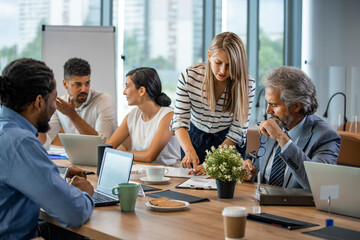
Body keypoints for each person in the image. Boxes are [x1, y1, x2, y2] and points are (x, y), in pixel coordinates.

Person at [0, 58, 94, 239]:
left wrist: (56, 181)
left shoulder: (7, 130)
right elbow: (73, 213)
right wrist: (83, 192)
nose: (54, 108)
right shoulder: (20, 143)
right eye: (53, 99)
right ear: (38, 102)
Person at [171, 32, 256, 172]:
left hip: (229, 142)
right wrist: (188, 150)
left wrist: (212, 163)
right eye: (218, 63)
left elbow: (238, 129)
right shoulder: (190, 76)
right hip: (194, 139)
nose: (223, 70)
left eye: (229, 65)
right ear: (209, 56)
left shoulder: (247, 84)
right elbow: (179, 119)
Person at [244, 66, 341, 189]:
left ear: (296, 106)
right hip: (262, 203)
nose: (268, 111)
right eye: (268, 103)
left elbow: (317, 183)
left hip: (296, 208)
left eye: (274, 105)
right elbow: (263, 173)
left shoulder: (325, 137)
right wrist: (251, 172)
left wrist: (281, 138)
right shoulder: (275, 124)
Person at [106, 67, 180, 166]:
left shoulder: (168, 116)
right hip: (141, 173)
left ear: (141, 91)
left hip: (170, 175)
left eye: (127, 86)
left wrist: (121, 153)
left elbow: (149, 156)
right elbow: (106, 148)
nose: (124, 92)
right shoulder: (132, 115)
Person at [39, 57, 117, 149]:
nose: (84, 89)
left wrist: (73, 115)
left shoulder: (104, 100)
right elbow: (45, 142)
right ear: (65, 84)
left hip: (103, 160)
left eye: (87, 83)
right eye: (78, 84)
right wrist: (40, 114)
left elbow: (103, 145)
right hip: (77, 159)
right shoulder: (61, 105)